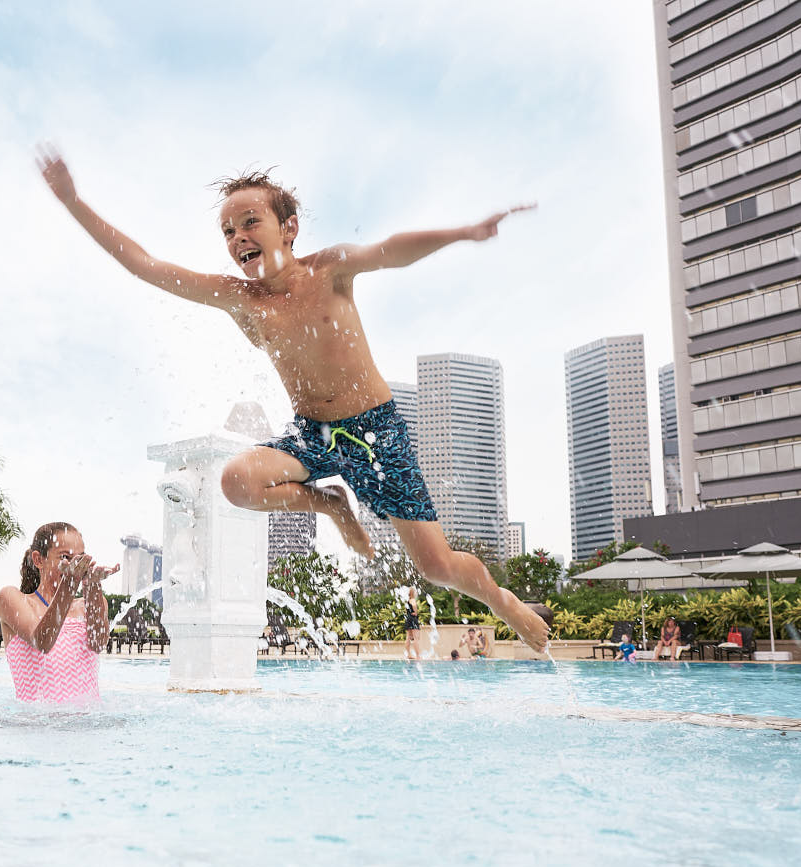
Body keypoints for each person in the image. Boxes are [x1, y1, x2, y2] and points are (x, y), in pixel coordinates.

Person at [37, 150, 549, 655]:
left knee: (436, 566)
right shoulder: (241, 297)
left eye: (250, 222)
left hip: (374, 433)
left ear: (289, 228)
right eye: (228, 231)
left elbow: (392, 250)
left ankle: (504, 603)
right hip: (313, 435)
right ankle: (329, 503)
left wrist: (466, 232)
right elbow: (144, 265)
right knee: (236, 481)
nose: (238, 237)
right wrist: (73, 201)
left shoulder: (329, 270)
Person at [0, 522, 117, 703]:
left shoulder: (85, 605)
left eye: (81, 558)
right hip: (36, 725)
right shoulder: (13, 599)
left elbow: (98, 644)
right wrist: (70, 583)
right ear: (38, 560)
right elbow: (42, 641)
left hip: (88, 725)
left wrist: (92, 586)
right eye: (65, 557)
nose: (76, 565)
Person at [403, 586, 422, 661]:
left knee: (408, 637)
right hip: (413, 619)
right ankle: (418, 656)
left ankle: (408, 654)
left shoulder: (408, 600)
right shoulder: (413, 600)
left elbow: (407, 610)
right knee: (416, 638)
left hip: (408, 618)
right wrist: (416, 612)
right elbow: (414, 607)